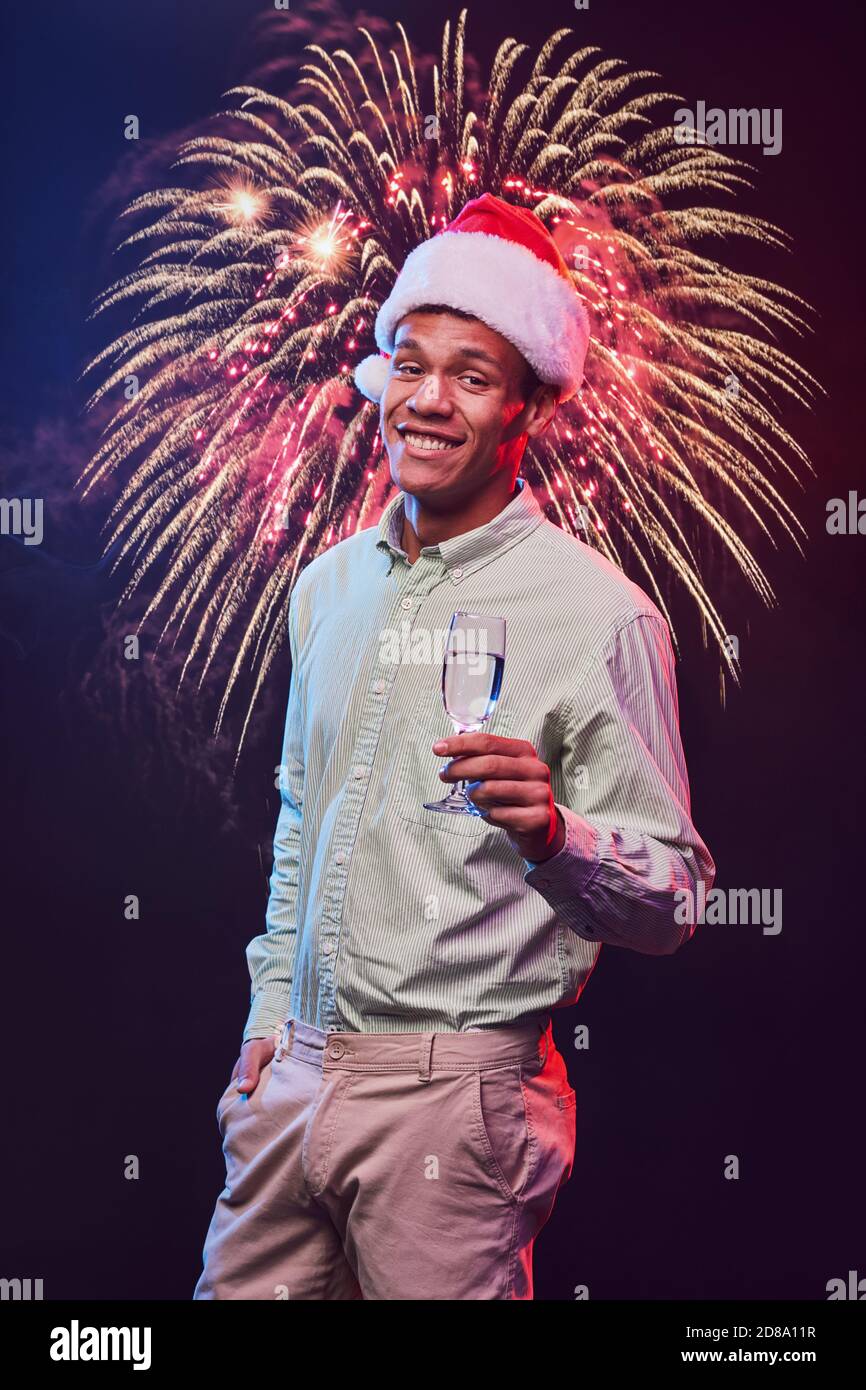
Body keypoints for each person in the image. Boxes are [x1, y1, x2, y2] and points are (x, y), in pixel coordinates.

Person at [193, 193, 716, 1301]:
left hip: (454, 1108)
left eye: (471, 376)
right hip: (289, 1086)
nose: (427, 402)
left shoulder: (599, 616)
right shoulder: (327, 586)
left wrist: (555, 835)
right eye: (413, 365)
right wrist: (264, 1026)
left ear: (528, 403)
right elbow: (299, 816)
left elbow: (672, 899)